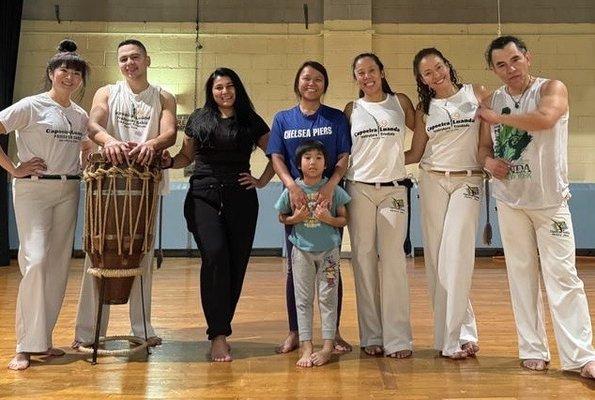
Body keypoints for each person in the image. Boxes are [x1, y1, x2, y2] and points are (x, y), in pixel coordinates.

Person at [478, 35, 595, 378]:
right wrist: (489, 164)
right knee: (521, 277)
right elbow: (482, 149)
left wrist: (498, 120)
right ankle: (532, 349)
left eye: (515, 59)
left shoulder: (551, 88)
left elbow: (545, 120)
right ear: (493, 69)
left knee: (563, 276)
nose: (510, 68)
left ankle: (580, 356)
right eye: (501, 64)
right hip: (510, 202)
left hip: (550, 202)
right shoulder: (492, 99)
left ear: (527, 57)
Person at [163, 67, 274, 362]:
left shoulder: (249, 119)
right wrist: (167, 161)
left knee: (236, 264)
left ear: (237, 88)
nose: (224, 92)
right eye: (218, 88)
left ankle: (222, 328)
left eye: (229, 86)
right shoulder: (200, 118)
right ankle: (218, 334)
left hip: (241, 197)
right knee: (214, 256)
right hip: (203, 194)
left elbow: (277, 151)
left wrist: (262, 181)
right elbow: (186, 157)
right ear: (210, 92)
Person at [72, 39, 177, 348]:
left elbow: (169, 132)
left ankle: (142, 328)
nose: (129, 63)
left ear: (147, 60)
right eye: (123, 59)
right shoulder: (107, 92)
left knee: (142, 254)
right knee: (97, 253)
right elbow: (93, 122)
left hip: (145, 183)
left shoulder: (164, 96)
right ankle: (88, 332)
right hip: (107, 184)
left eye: (135, 57)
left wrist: (152, 144)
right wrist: (109, 141)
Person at [0, 40, 93, 370]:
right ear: (52, 74)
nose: (69, 77)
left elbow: (85, 149)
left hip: (69, 191)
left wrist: (89, 156)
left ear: (82, 79)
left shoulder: (80, 115)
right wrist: (14, 167)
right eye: (63, 71)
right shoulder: (31, 105)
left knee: (56, 269)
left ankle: (43, 341)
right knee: (35, 261)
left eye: (76, 73)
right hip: (33, 190)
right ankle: (23, 346)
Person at [405, 48, 489, 359]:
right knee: (438, 262)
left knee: (457, 257)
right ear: (422, 80)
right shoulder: (424, 109)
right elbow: (414, 154)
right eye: (427, 73)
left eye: (438, 67)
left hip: (469, 179)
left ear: (447, 64)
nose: (435, 74)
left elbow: (496, 127)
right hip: (432, 180)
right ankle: (450, 335)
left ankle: (454, 339)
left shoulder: (476, 93)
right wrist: (367, 163)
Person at [266, 61, 352, 354]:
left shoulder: (336, 118)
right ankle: (295, 332)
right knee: (296, 269)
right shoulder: (283, 119)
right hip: (297, 200)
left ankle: (333, 332)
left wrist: (332, 184)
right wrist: (291, 185)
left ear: (324, 84)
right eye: (305, 78)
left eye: (317, 79)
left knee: (331, 269)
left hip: (329, 197)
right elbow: (276, 156)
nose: (311, 83)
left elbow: (343, 155)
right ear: (297, 83)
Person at [343, 53, 415, 358]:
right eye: (360, 73)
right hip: (358, 189)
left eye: (371, 70)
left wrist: (404, 160)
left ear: (382, 71)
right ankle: (371, 336)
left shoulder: (400, 102)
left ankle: (398, 339)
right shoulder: (352, 109)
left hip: (394, 190)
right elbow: (344, 153)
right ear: (356, 78)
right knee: (363, 260)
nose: (367, 76)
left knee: (395, 263)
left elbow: (423, 132)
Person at [275, 140, 350, 367]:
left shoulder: (334, 190)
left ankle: (327, 346)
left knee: (328, 297)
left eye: (318, 157)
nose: (313, 162)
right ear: (298, 164)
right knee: (303, 300)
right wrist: (293, 219)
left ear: (326, 163)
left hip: (329, 253)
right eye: (307, 158)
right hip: (301, 252)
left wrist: (329, 220)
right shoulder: (293, 190)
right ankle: (306, 345)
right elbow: (281, 216)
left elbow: (344, 218)